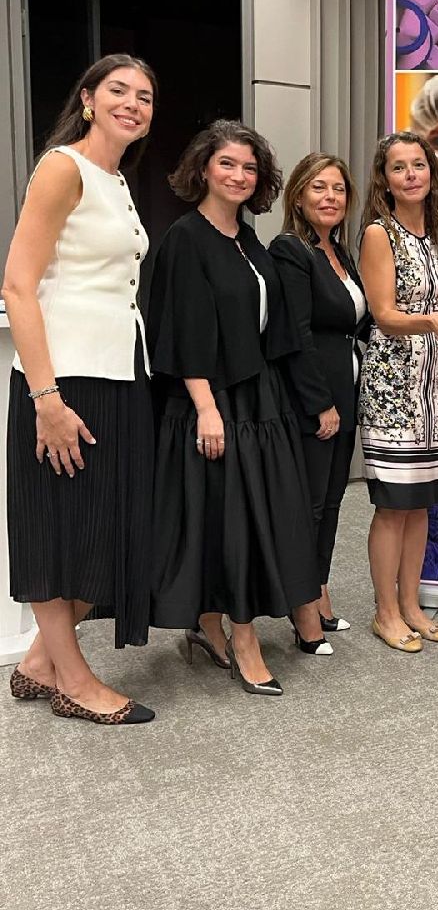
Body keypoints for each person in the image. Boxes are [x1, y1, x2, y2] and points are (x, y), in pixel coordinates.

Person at [3, 55, 157, 726]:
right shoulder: (62, 167)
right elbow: (18, 285)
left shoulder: (115, 180)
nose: (133, 103)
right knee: (55, 530)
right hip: (62, 380)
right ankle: (73, 680)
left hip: (117, 373)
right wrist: (46, 399)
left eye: (145, 96)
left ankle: (41, 662)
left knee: (107, 531)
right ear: (88, 99)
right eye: (119, 90)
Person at [147, 120, 321, 696]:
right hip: (214, 400)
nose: (239, 176)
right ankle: (244, 640)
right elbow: (181, 328)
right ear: (203, 168)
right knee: (232, 522)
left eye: (249, 167)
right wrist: (206, 408)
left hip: (257, 395)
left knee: (247, 517)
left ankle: (210, 622)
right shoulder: (185, 238)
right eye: (227, 163)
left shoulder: (247, 238)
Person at [358, 131, 438, 652]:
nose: (411, 175)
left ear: (433, 172)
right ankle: (385, 612)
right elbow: (383, 314)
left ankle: (411, 605)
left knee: (421, 505)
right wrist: (434, 320)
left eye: (419, 165)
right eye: (399, 167)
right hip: (392, 389)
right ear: (385, 179)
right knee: (392, 506)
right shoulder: (378, 234)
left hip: (435, 391)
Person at [270, 153, 371, 636]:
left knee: (332, 501)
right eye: (319, 187)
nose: (330, 197)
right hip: (314, 400)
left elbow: (358, 323)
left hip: (345, 395)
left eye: (338, 189)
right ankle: (302, 604)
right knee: (308, 505)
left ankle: (319, 588)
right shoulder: (290, 250)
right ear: (298, 196)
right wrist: (320, 404)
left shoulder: (339, 252)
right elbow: (296, 334)